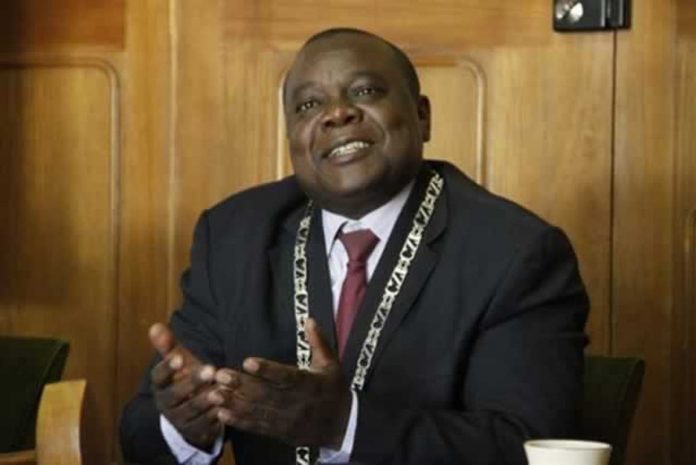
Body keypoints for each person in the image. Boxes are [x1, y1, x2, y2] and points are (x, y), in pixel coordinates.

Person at [120, 27, 589, 465]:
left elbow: (527, 447)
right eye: (308, 105)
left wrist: (345, 427)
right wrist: (185, 425)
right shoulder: (233, 236)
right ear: (292, 139)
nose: (337, 113)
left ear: (422, 116)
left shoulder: (514, 253)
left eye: (365, 92)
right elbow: (139, 435)